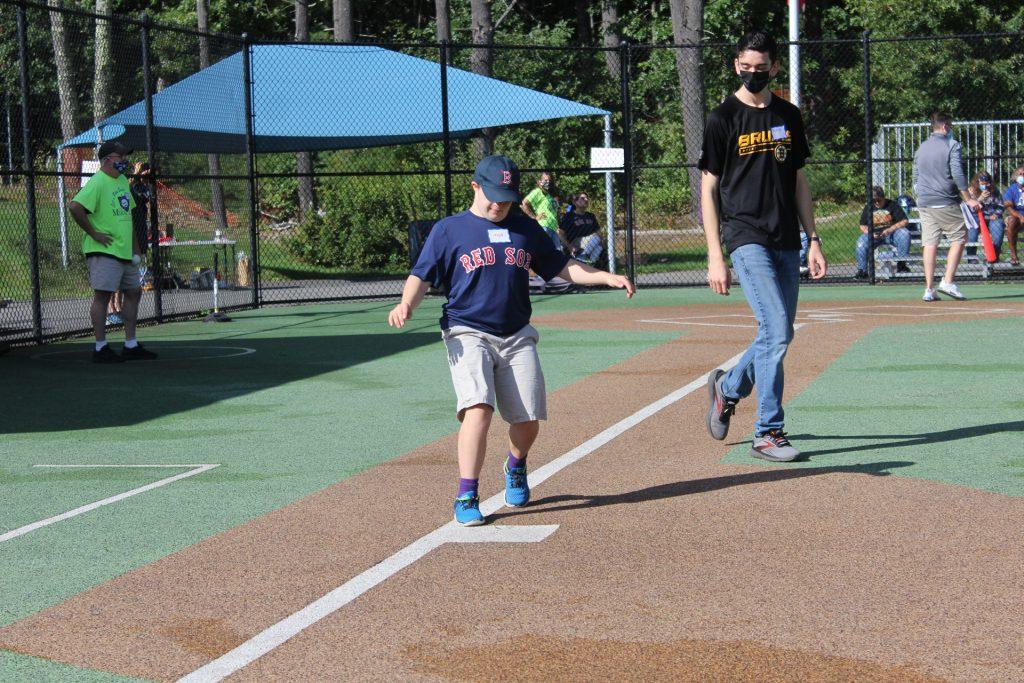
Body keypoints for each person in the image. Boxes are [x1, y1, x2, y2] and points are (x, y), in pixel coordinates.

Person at [387, 155, 634, 526]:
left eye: (505, 197)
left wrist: (605, 277)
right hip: (466, 330)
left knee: (528, 419)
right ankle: (467, 493)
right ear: (475, 187)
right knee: (478, 408)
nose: (498, 204)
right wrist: (407, 303)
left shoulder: (525, 228)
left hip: (516, 335)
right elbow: (421, 275)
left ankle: (515, 466)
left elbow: (560, 267)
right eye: (492, 195)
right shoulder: (450, 230)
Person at [700, 29, 827, 463]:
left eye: (760, 68)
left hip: (785, 239)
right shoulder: (722, 119)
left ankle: (727, 388)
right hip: (744, 236)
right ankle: (768, 431)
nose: (752, 75)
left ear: (774, 67)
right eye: (745, 68)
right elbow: (708, 186)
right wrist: (716, 253)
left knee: (777, 333)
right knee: (777, 330)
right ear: (737, 64)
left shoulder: (789, 115)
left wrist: (814, 238)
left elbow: (799, 181)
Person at [68, 141, 158, 363]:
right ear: (108, 159)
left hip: (124, 250)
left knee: (134, 292)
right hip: (104, 250)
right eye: (121, 157)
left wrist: (136, 248)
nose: (125, 161)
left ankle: (130, 344)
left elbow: (127, 218)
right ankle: (100, 347)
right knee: (103, 296)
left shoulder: (121, 182)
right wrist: (94, 233)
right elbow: (75, 207)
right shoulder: (97, 182)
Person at [912, 112, 981, 301]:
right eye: (949, 125)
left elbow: (915, 174)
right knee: (960, 237)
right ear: (944, 126)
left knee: (929, 243)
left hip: (925, 202)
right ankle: (947, 281)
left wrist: (921, 193)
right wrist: (968, 198)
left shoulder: (922, 147)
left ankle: (928, 289)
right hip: (944, 200)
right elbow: (958, 174)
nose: (951, 129)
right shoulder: (952, 145)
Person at [854, 186, 911, 279]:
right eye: (873, 201)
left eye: (878, 200)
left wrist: (890, 230)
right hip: (874, 235)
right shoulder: (868, 207)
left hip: (892, 234)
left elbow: (904, 221)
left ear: (883, 197)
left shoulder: (892, 205)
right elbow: (862, 225)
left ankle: (902, 265)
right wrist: (870, 233)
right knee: (861, 242)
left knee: (904, 234)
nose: (876, 203)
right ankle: (862, 271)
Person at [965, 170, 1004, 261]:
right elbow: (970, 210)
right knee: (972, 234)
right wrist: (980, 199)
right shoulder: (971, 191)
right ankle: (972, 259)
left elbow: (1001, 205)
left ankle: (994, 257)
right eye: (982, 183)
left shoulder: (994, 190)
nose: (985, 185)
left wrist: (996, 214)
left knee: (998, 229)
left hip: (992, 217)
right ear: (977, 183)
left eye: (987, 183)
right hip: (976, 218)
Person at [520, 171, 561, 250]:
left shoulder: (550, 196)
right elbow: (523, 204)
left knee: (558, 253)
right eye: (545, 180)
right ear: (539, 181)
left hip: (554, 228)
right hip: (543, 226)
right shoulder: (538, 192)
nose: (548, 182)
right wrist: (534, 217)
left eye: (550, 181)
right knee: (544, 251)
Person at [558, 191, 603, 263]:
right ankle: (580, 257)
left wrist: (602, 241)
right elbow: (560, 233)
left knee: (599, 244)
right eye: (582, 198)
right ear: (574, 202)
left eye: (586, 198)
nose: (586, 200)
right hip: (575, 244)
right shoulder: (569, 216)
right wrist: (569, 247)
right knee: (596, 237)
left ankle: (589, 263)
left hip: (590, 243)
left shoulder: (591, 216)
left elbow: (599, 232)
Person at [1002, 166, 1024, 266]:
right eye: (1020, 174)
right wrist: (1020, 216)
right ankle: (1013, 255)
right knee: (1011, 221)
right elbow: (1009, 207)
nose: (1022, 176)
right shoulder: (1011, 189)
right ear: (1016, 176)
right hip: (1017, 217)